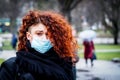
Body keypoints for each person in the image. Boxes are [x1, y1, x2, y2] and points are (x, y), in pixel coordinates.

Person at [0, 10, 78, 80]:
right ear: (29, 36)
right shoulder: (12, 67)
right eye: (39, 33)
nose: (45, 38)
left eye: (49, 34)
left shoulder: (65, 64)